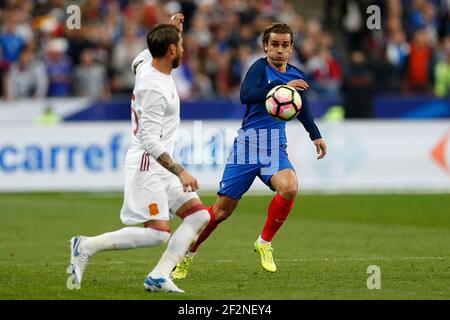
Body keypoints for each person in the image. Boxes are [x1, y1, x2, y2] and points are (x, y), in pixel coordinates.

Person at [172, 23, 327, 279]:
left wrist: (316, 135)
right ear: (265, 46)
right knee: (222, 211)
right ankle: (187, 254)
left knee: (289, 187)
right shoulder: (259, 68)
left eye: (284, 45)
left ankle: (264, 242)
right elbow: (246, 95)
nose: (279, 50)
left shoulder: (296, 75)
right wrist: (279, 88)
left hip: (273, 146)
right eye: (274, 44)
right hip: (247, 146)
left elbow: (301, 106)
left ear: (291, 48)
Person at [67, 20, 211, 293]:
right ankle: (85, 245)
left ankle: (158, 276)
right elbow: (148, 139)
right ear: (171, 50)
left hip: (160, 164)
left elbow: (138, 59)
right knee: (158, 233)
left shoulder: (146, 65)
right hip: (148, 164)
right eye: (180, 45)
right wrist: (180, 171)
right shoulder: (153, 88)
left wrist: (171, 29)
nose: (183, 49)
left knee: (199, 216)